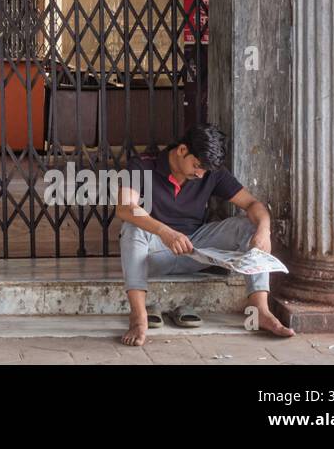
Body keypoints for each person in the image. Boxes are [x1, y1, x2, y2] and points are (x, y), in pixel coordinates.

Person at [116, 123, 295, 346]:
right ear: (182, 150)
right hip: (153, 255)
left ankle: (260, 310)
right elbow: (125, 207)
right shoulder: (141, 165)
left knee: (248, 226)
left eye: (205, 170)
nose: (200, 174)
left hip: (195, 250)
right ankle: (138, 317)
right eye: (197, 165)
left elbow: (252, 204)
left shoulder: (210, 172)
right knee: (132, 227)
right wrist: (164, 231)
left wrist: (264, 231)